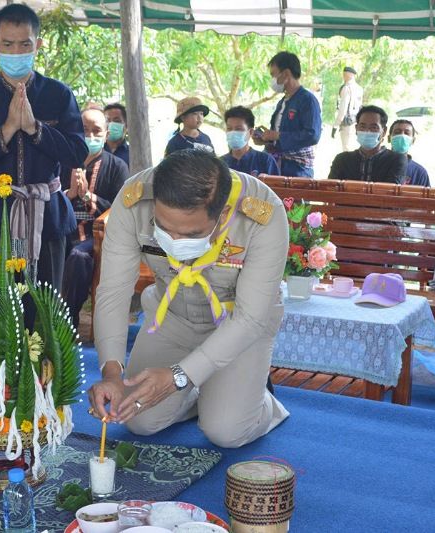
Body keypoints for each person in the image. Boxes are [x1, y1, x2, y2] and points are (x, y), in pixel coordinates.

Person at [88, 150, 289, 448]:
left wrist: (177, 378)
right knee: (136, 418)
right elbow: (113, 291)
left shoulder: (262, 212)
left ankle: (259, 402)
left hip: (236, 327)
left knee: (226, 432)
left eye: (191, 234)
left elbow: (250, 318)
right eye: (163, 228)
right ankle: (201, 394)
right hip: (173, 319)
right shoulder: (134, 199)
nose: (175, 241)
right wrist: (112, 371)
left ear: (223, 215)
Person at [0, 3, 87, 293]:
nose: (16, 52)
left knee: (45, 305)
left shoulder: (58, 94)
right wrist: (8, 129)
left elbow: (77, 153)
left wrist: (35, 129)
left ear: (38, 45)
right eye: (7, 44)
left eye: (25, 44)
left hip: (46, 216)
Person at [61, 107, 129, 328]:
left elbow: (120, 210)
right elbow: (49, 200)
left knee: (79, 257)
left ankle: (68, 319)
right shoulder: (63, 163)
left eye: (96, 130)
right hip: (65, 230)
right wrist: (70, 194)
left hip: (96, 234)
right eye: (85, 130)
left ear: (106, 134)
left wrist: (88, 196)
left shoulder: (117, 166)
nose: (90, 136)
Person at [256, 52, 322, 178]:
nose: (272, 80)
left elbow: (313, 135)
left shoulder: (307, 100)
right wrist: (266, 138)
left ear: (286, 73)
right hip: (278, 165)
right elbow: (279, 136)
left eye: (273, 75)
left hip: (298, 170)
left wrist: (278, 136)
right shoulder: (283, 101)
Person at [328, 105, 407, 184]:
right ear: (356, 129)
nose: (367, 131)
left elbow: (390, 189)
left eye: (374, 127)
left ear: (384, 131)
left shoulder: (396, 160)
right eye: (362, 126)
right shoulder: (342, 160)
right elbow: (330, 188)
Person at [220, 106, 280, 176]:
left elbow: (276, 182)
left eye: (238, 129)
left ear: (251, 132)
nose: (233, 133)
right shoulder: (219, 164)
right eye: (229, 128)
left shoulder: (266, 161)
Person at [388, 119, 430, 186]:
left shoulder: (420, 172)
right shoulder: (378, 165)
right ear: (389, 138)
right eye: (397, 132)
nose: (402, 136)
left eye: (407, 133)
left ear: (413, 141)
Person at [332, 67, 363, 151]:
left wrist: (335, 125)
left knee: (346, 148)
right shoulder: (359, 88)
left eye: (345, 74)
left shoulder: (346, 88)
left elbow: (343, 109)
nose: (343, 76)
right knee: (354, 148)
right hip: (356, 121)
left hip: (347, 122)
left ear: (350, 75)